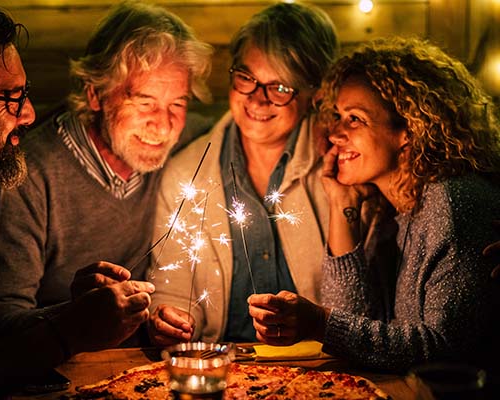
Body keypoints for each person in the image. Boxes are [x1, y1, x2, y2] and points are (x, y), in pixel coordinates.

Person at [0, 0, 154, 398]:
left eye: (26, 94)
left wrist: (74, 314)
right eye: (12, 98)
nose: (29, 114)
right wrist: (66, 334)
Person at [248, 37, 500, 372]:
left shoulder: (452, 202)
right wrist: (341, 206)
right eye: (336, 116)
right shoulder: (393, 209)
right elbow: (359, 328)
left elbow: (443, 351)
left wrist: (319, 322)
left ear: (408, 129)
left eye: (354, 119)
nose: (335, 133)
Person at [0, 0, 213, 347]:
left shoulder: (187, 142)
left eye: (177, 103)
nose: (163, 124)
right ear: (96, 94)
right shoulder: (26, 176)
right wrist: (75, 316)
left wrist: (155, 318)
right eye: (144, 101)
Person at [146, 2, 369, 345]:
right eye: (246, 78)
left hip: (321, 366)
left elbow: (361, 307)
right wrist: (168, 318)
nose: (257, 99)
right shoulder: (186, 173)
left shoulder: (343, 166)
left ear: (315, 93)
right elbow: (173, 288)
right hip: (221, 365)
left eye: (280, 87)